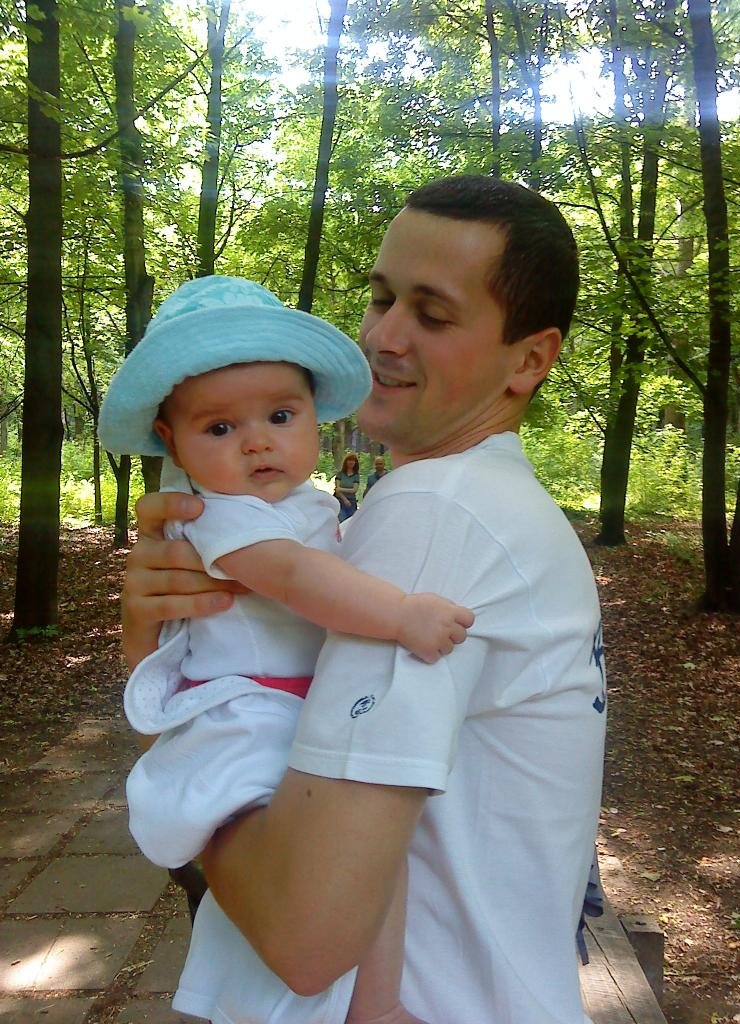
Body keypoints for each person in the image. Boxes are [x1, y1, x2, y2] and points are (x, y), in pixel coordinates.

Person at [121, 175, 607, 1024]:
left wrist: (181, 765)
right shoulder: (493, 505)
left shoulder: (440, 509)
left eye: (432, 314)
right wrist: (163, 635)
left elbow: (301, 933)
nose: (383, 335)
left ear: (530, 359)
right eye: (382, 298)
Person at [98, 274, 473, 1024]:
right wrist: (402, 615)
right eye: (219, 428)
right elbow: (296, 578)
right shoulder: (217, 514)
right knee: (321, 874)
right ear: (171, 441)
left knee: (372, 862)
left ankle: (375, 1005)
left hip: (289, 706)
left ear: (314, 415)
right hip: (246, 714)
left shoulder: (301, 503)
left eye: (279, 415)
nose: (257, 441)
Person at [335, 451, 360, 521]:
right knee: (342, 520)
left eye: (353, 460)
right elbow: (337, 491)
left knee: (350, 522)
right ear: (346, 462)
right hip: (340, 502)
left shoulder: (356, 476)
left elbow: (354, 490)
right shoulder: (340, 474)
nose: (351, 462)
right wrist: (345, 500)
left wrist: (341, 489)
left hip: (352, 503)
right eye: (349, 460)